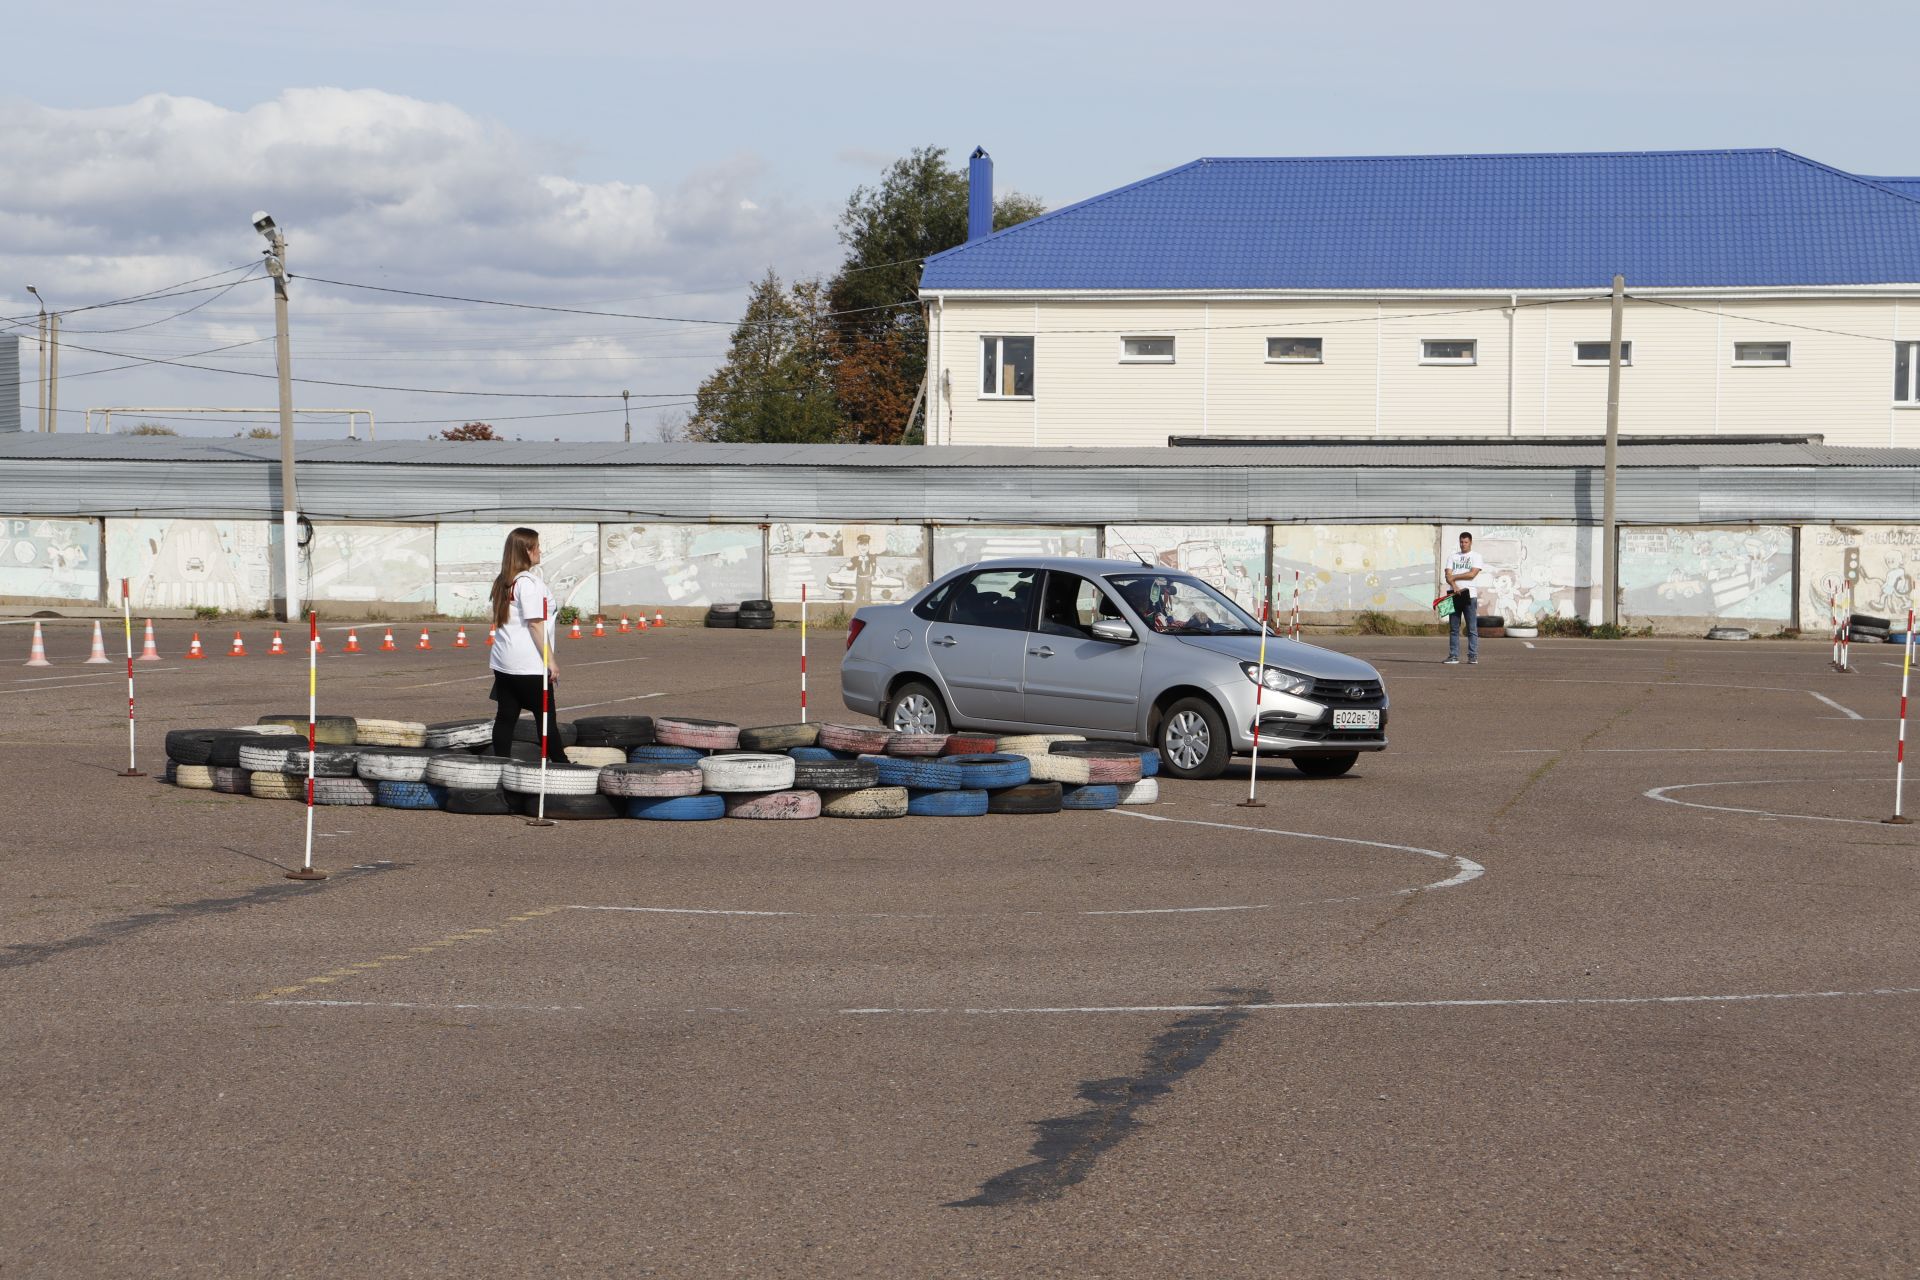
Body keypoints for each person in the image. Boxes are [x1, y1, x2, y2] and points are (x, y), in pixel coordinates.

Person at [487, 527, 566, 760]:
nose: (540, 551)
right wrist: (551, 661)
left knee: (506, 716)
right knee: (546, 720)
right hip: (528, 664)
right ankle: (564, 766)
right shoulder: (529, 583)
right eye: (537, 546)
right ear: (527, 551)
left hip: (504, 662)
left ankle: (500, 765)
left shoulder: (504, 581)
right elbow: (535, 624)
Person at [1444, 530, 1483, 665]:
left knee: (1472, 628)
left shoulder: (1476, 556)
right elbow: (1447, 575)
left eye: (1466, 542)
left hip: (1469, 595)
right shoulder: (1452, 557)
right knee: (1453, 628)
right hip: (1452, 594)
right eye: (1461, 542)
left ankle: (1472, 656)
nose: (1463, 544)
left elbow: (1472, 574)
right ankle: (1453, 656)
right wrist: (1454, 585)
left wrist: (1454, 577)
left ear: (1470, 542)